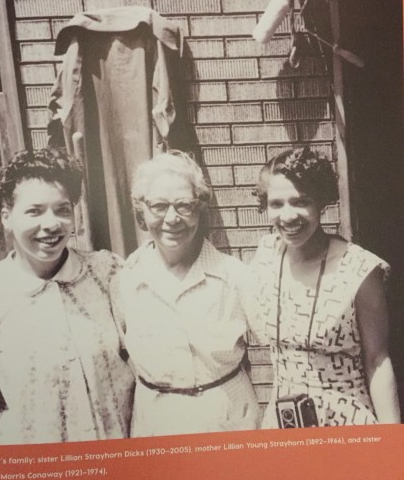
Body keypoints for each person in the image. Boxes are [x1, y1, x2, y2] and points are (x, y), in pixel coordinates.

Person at [0, 149, 134, 445]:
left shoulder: (108, 274)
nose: (51, 224)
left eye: (62, 209)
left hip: (112, 461)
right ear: (6, 217)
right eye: (34, 211)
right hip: (33, 470)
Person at [248, 146, 400, 428]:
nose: (288, 216)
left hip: (343, 420)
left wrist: (393, 442)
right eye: (276, 203)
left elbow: (377, 360)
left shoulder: (359, 269)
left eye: (301, 201)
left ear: (321, 203)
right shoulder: (265, 254)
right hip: (282, 421)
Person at [112, 150, 260, 437]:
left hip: (229, 421)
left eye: (184, 206)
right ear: (141, 211)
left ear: (200, 209)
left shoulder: (235, 276)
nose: (172, 218)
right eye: (158, 206)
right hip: (155, 423)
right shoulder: (124, 278)